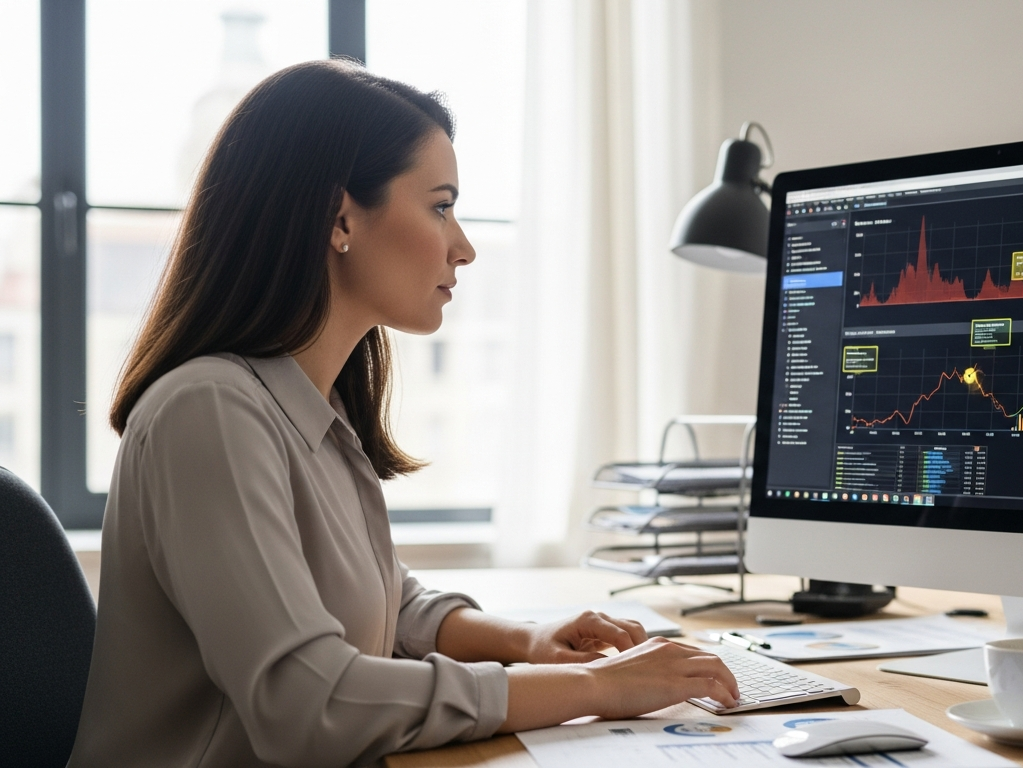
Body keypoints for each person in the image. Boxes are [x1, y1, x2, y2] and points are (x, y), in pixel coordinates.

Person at [67, 60, 739, 768]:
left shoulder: (311, 410)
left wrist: (527, 641)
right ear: (340, 216)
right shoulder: (207, 413)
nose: (464, 246)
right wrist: (594, 686)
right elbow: (309, 703)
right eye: (441, 206)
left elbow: (386, 603)